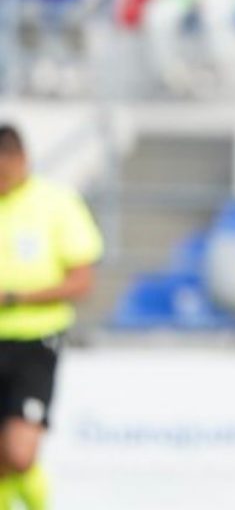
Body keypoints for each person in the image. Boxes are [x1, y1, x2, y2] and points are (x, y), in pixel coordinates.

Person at [0, 124, 103, 510]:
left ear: (20, 161)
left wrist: (15, 297)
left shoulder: (56, 203)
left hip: (35, 340)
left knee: (19, 453)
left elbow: (82, 281)